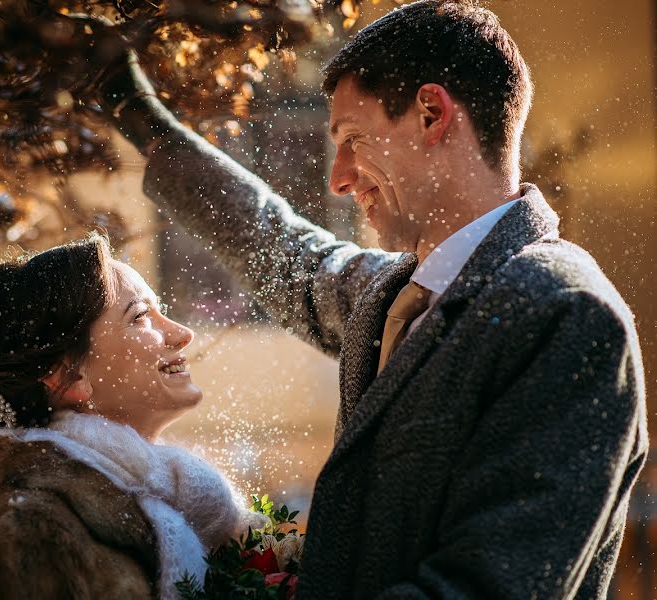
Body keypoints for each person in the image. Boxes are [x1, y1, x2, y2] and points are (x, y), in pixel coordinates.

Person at [98, 0, 648, 598]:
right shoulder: (394, 292)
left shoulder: (565, 314)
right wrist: (136, 113)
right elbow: (280, 247)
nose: (337, 177)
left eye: (353, 139)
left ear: (433, 113)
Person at [0, 234, 265, 599]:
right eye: (141, 317)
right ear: (69, 376)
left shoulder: (179, 505)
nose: (182, 333)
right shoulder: (26, 534)